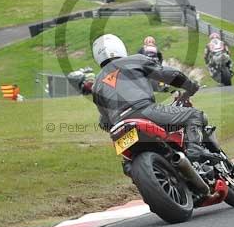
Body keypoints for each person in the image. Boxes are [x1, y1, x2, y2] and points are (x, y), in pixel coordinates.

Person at [91, 34, 217, 170]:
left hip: (120, 127)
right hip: (146, 112)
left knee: (128, 163)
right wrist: (190, 86)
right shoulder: (134, 60)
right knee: (194, 115)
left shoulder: (96, 85)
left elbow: (104, 121)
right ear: (119, 47)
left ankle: (135, 169)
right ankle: (195, 152)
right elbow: (170, 75)